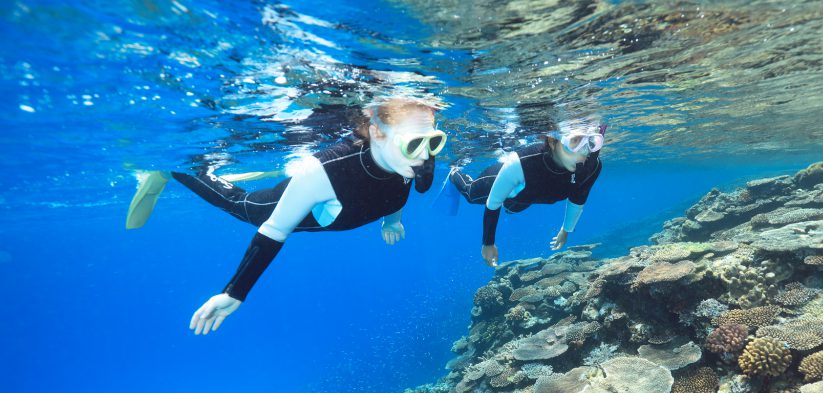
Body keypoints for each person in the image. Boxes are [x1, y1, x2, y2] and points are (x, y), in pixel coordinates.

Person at [125, 97, 446, 335]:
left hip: (342, 207)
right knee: (243, 206)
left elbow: (403, 186)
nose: (424, 154)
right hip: (305, 200)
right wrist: (234, 291)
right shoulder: (322, 171)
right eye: (414, 144)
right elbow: (275, 230)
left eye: (434, 142)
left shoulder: (415, 156)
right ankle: (180, 169)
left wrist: (393, 220)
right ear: (376, 132)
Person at [443, 120, 605, 267]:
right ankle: (454, 172)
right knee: (471, 195)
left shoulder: (592, 167)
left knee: (513, 208)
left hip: (525, 197)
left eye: (591, 142)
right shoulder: (521, 163)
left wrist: (566, 230)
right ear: (552, 141)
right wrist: (488, 243)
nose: (583, 153)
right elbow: (493, 203)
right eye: (575, 141)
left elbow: (578, 199)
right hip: (501, 179)